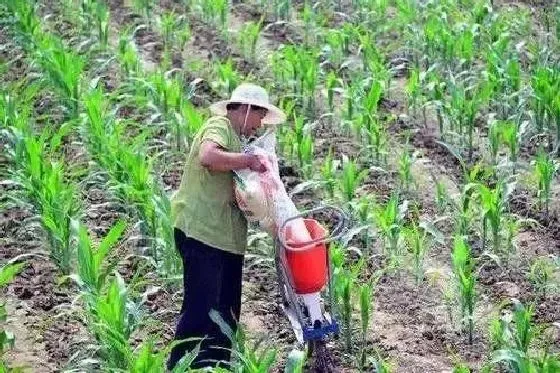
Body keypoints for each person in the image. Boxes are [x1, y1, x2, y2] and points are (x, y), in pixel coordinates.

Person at [167, 83, 286, 370]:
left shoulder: (241, 140)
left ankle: (215, 367)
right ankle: (179, 367)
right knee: (200, 312)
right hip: (203, 232)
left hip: (228, 239)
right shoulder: (219, 125)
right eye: (260, 117)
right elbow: (208, 157)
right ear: (246, 110)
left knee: (226, 315)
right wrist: (249, 161)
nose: (259, 125)